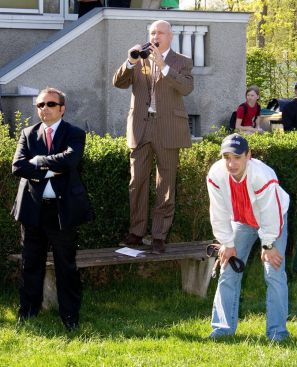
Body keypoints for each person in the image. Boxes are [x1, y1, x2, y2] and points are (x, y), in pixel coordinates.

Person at [11, 87, 93, 331]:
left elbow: (70, 161)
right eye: (39, 105)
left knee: (65, 266)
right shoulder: (27, 133)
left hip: (62, 210)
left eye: (49, 104)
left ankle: (70, 317)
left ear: (62, 108)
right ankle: (28, 312)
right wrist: (50, 169)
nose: (43, 109)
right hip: (32, 209)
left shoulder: (74, 133)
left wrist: (37, 162)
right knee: (30, 264)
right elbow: (17, 166)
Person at [113, 20, 193, 254]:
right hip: (140, 127)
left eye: (159, 32)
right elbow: (118, 83)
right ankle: (136, 232)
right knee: (136, 181)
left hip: (168, 128)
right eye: (152, 32)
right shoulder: (139, 58)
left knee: (165, 184)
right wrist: (130, 61)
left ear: (170, 36)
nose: (155, 35)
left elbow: (187, 88)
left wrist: (164, 66)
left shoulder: (182, 61)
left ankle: (159, 235)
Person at [206, 133, 290, 341]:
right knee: (227, 268)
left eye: (237, 157)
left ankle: (277, 333)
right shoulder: (216, 175)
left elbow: (271, 213)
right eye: (226, 157)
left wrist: (268, 244)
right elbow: (218, 212)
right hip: (241, 220)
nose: (231, 163)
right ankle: (222, 329)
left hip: (272, 220)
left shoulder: (263, 176)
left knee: (274, 271)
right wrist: (227, 243)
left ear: (248, 156)